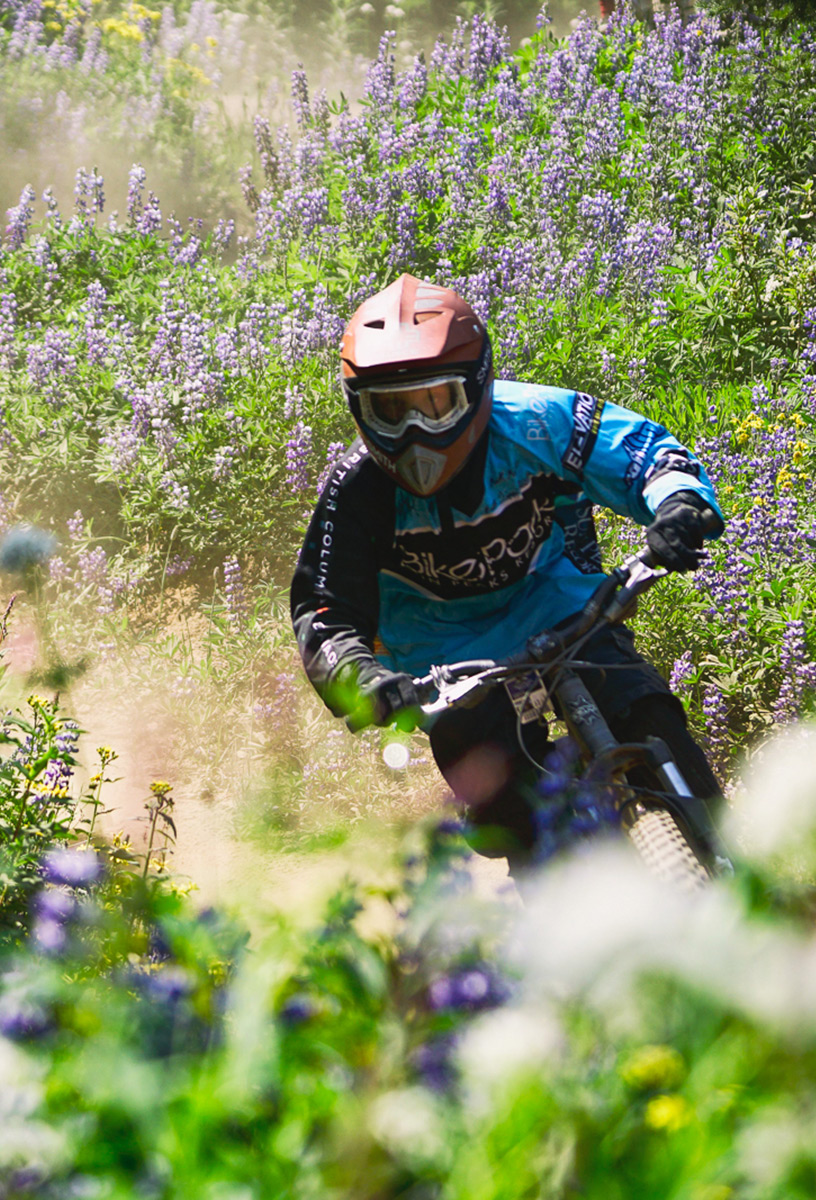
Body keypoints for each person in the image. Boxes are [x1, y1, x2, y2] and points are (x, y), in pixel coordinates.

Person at [288, 274, 726, 866]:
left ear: (477, 387)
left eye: (433, 403)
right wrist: (360, 678)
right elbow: (325, 611)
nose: (415, 434)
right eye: (389, 412)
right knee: (510, 813)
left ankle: (725, 869)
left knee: (648, 713)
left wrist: (678, 505)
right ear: (358, 411)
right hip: (443, 660)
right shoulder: (356, 491)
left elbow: (646, 455)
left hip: (563, 604)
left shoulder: (538, 421)